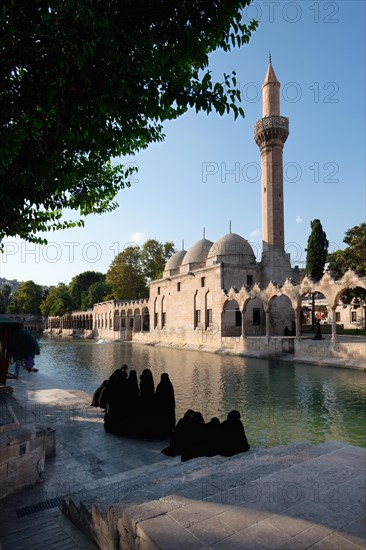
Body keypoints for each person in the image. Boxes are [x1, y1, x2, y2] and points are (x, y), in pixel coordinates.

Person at [154, 373, 176, 438]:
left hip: (161, 407)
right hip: (169, 407)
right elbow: (172, 397)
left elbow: (157, 397)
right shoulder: (169, 386)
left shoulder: (160, 386)